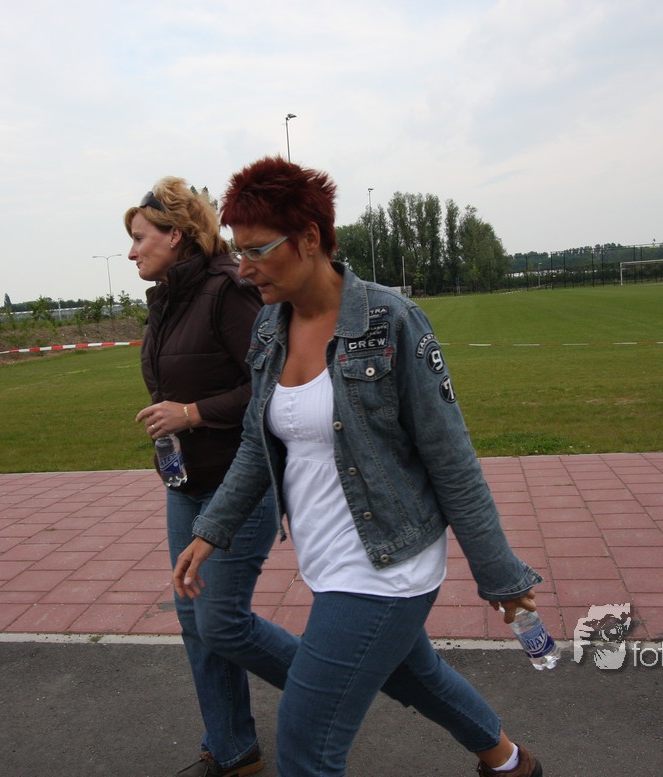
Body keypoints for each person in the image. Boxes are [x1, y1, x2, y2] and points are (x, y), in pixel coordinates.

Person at [173, 157, 547, 777]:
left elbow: (452, 461)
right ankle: (510, 763)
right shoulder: (268, 328)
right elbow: (256, 447)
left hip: (388, 563)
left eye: (258, 250)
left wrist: (500, 575)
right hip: (327, 557)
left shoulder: (390, 321)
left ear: (310, 238)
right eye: (239, 251)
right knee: (416, 675)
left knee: (304, 743)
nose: (243, 268)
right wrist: (210, 530)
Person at [126, 177, 280, 777]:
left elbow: (269, 385)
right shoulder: (168, 298)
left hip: (237, 483)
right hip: (185, 484)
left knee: (221, 621)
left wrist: (191, 414)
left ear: (175, 235)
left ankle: (331, 681)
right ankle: (233, 750)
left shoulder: (226, 290)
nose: (132, 252)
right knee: (195, 623)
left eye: (140, 238)